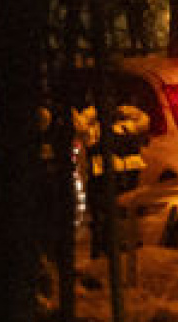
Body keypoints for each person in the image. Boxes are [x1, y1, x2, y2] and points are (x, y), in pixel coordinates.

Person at [74, 91, 150, 257]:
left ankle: (113, 245)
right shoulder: (97, 128)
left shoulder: (125, 125)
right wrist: (95, 111)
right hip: (104, 175)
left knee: (116, 213)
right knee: (105, 215)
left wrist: (124, 110)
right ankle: (105, 247)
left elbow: (144, 120)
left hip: (120, 175)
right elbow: (79, 126)